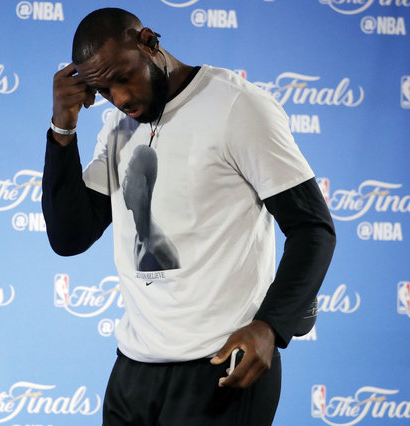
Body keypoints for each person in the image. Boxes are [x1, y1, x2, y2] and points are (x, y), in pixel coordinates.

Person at [42, 8, 335, 426]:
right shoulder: (119, 127)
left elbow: (313, 229)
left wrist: (270, 326)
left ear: (149, 42)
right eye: (104, 91)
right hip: (134, 372)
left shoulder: (236, 105)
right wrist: (63, 128)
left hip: (221, 368)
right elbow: (69, 237)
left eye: (123, 77)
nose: (120, 98)